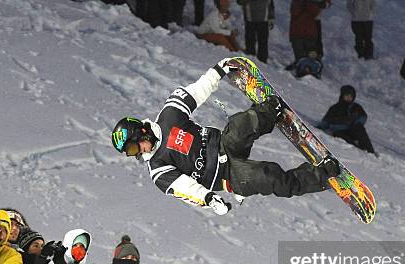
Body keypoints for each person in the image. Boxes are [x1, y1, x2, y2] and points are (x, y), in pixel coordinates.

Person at [112, 60, 340, 216]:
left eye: (135, 147)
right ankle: (322, 175)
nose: (139, 152)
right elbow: (185, 188)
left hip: (224, 144)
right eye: (133, 153)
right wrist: (209, 199)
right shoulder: (157, 168)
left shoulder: (169, 116)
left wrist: (218, 71)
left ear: (141, 130)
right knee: (270, 177)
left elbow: (196, 91)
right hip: (228, 176)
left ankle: (270, 110)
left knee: (241, 125)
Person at [317, 85, 376, 155]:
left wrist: (354, 121)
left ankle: (370, 151)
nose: (349, 97)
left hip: (352, 129)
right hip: (339, 130)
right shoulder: (335, 108)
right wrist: (320, 127)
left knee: (360, 129)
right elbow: (326, 121)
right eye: (347, 95)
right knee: (344, 138)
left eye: (351, 96)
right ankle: (358, 151)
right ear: (342, 95)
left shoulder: (356, 107)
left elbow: (363, 117)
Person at [288, 0, 321, 71]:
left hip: (298, 33)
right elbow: (316, 11)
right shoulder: (311, 4)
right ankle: (306, 70)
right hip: (308, 34)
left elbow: (294, 12)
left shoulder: (296, 3)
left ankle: (303, 69)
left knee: (302, 58)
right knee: (308, 58)